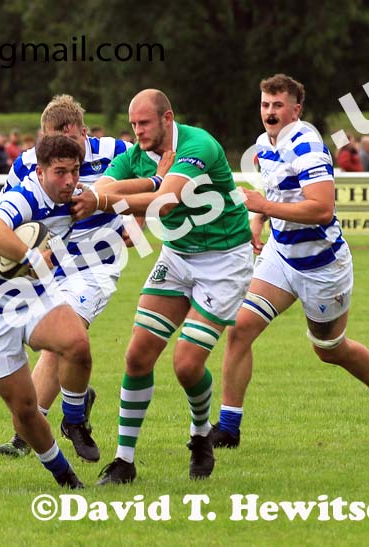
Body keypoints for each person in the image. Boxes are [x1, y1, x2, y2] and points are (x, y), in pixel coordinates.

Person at [210, 74, 369, 451]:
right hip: (281, 254)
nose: (269, 112)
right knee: (239, 329)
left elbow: (321, 209)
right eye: (265, 104)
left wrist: (262, 206)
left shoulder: (308, 145)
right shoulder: (264, 143)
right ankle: (228, 429)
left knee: (329, 348)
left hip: (322, 267)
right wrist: (258, 219)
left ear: (296, 110)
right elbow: (276, 193)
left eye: (278, 105)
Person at [71, 89, 253, 483]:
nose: (137, 131)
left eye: (145, 123)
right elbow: (102, 187)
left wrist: (110, 199)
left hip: (224, 261)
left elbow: (166, 203)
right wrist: (146, 181)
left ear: (167, 118)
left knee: (186, 365)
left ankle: (201, 435)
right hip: (177, 254)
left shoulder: (198, 145)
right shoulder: (135, 155)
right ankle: (124, 462)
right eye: (133, 124)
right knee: (137, 356)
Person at [0, 95, 131, 460]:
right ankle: (72, 401)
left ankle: (37, 432)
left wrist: (136, 219)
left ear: (80, 133)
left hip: (96, 266)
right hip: (47, 268)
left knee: (65, 335)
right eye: (48, 142)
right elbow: (7, 215)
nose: (56, 151)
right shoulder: (28, 162)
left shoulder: (116, 152)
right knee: (51, 344)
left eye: (64, 141)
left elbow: (150, 184)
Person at [0, 135, 91, 488]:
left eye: (75, 171)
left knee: (77, 345)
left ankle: (74, 419)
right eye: (60, 172)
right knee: (25, 411)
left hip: (34, 297)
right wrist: (31, 256)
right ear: (40, 172)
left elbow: (112, 199)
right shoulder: (25, 196)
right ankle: (64, 475)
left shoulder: (76, 198)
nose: (69, 180)